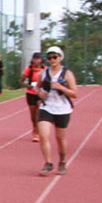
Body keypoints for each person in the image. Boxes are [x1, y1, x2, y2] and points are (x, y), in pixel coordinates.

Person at [36, 46, 78, 176]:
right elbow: (37, 88)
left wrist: (61, 87)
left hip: (62, 109)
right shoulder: (43, 73)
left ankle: (63, 161)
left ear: (60, 57)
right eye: (49, 57)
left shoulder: (67, 74)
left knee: (60, 138)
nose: (52, 59)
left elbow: (75, 94)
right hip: (47, 107)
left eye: (55, 57)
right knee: (43, 135)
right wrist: (40, 93)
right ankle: (48, 163)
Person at [21, 51, 45, 142]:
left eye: (38, 59)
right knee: (33, 114)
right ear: (32, 59)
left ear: (41, 60)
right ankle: (35, 127)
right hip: (31, 93)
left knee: (39, 111)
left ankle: (38, 132)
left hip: (40, 93)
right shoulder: (29, 69)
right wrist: (28, 86)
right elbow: (22, 81)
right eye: (35, 59)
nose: (36, 61)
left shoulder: (45, 69)